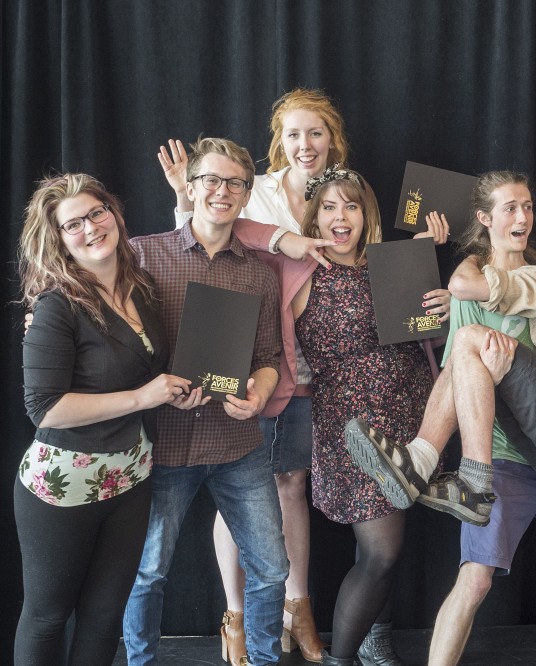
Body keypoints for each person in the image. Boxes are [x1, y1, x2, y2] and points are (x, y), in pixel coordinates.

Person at [347, 171, 536, 666]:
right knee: (475, 580)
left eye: (528, 207)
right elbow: (458, 376)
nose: (523, 217)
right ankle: (464, 476)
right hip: (504, 454)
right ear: (486, 218)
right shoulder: (469, 285)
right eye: (510, 208)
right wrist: (465, 295)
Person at [156, 87, 350, 664]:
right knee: (238, 490)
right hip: (250, 359)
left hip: (314, 364)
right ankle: (236, 616)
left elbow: (361, 258)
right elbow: (209, 233)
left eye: (315, 132)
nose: (305, 144)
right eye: (293, 134)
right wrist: (283, 236)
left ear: (332, 139)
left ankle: (297, 608)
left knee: (293, 483)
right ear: (279, 141)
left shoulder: (341, 192)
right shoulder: (253, 188)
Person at [235, 165, 447, 666]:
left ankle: (374, 641)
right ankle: (341, 660)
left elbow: (426, 335)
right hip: (352, 429)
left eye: (351, 205)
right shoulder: (297, 270)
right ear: (313, 217)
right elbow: (235, 232)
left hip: (410, 417)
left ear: (366, 213)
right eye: (329, 206)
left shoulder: (389, 263)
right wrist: (285, 239)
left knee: (384, 548)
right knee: (381, 552)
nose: (340, 216)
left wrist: (437, 294)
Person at [14, 174, 200, 665]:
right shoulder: (56, 306)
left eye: (97, 213)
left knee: (103, 618)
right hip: (64, 484)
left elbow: (146, 375)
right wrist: (142, 397)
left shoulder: (141, 289)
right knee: (48, 617)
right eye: (73, 224)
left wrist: (170, 396)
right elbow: (45, 408)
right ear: (59, 240)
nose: (91, 227)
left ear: (113, 213)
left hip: (130, 478)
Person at [346, 209, 536, 520]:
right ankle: (419, 461)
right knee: (465, 354)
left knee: (470, 339)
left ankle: (462, 477)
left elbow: (463, 283)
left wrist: (476, 255)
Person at [122, 137, 289, 666]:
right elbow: (100, 328)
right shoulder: (141, 255)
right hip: (163, 446)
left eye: (235, 183)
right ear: (190, 188)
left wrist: (260, 392)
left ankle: (264, 659)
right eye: (211, 180)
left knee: (273, 570)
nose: (222, 191)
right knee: (147, 572)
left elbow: (268, 355)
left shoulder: (259, 273)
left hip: (238, 443)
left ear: (247, 195)